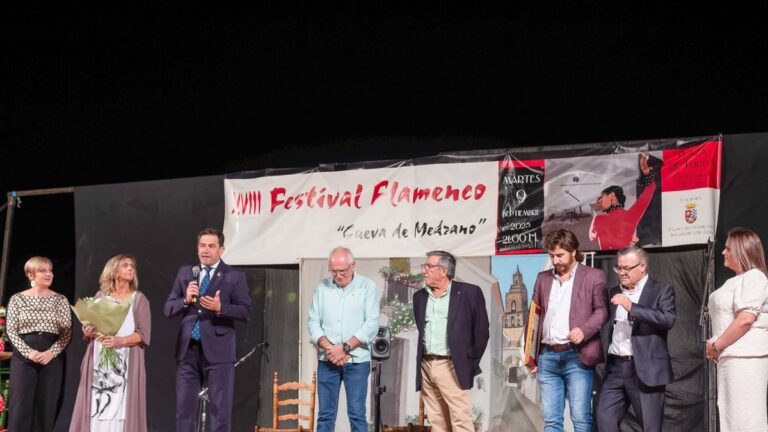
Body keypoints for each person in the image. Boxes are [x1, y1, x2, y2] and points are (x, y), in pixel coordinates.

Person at [163, 228, 252, 432]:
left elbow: (246, 311)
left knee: (220, 412)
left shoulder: (234, 276)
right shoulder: (186, 273)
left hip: (219, 350)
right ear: (197, 249)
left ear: (221, 249)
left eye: (211, 246)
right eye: (202, 245)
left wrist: (221, 308)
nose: (206, 250)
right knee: (184, 411)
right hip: (188, 350)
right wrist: (185, 300)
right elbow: (168, 308)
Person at [526, 229, 608, 432]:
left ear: (574, 251)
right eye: (552, 255)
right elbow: (534, 317)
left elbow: (602, 311)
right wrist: (530, 356)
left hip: (577, 356)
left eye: (560, 255)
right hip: (547, 357)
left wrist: (584, 330)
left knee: (580, 418)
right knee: (552, 421)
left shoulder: (594, 276)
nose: (555, 260)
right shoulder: (543, 278)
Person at [595, 245, 676, 432]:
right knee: (604, 421)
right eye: (618, 268)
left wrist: (632, 307)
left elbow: (668, 319)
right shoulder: (614, 290)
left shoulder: (661, 290)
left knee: (650, 427)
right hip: (615, 368)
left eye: (626, 268)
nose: (621, 273)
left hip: (644, 369)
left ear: (642, 266)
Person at [70, 254, 151, 432]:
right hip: (100, 358)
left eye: (132, 266)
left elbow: (143, 336)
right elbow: (92, 328)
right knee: (98, 404)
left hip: (125, 360)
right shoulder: (100, 296)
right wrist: (88, 331)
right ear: (114, 271)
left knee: (120, 406)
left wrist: (119, 340)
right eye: (125, 265)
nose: (130, 269)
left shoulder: (138, 299)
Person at [413, 250, 489, 432]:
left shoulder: (470, 293)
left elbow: (481, 333)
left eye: (429, 266)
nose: (424, 271)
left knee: (460, 421)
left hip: (451, 365)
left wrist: (467, 363)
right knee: (438, 422)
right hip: (426, 365)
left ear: (444, 271)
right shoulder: (420, 297)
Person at [307, 247, 380, 432]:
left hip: (356, 361)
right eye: (333, 271)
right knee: (325, 416)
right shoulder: (322, 287)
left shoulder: (367, 287)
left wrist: (345, 348)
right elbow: (313, 323)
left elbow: (371, 324)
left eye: (343, 271)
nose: (338, 275)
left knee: (356, 415)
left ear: (353, 265)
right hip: (327, 360)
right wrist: (331, 349)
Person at [705, 227, 768, 432]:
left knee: (746, 421)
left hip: (746, 360)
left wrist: (716, 345)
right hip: (729, 359)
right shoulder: (733, 281)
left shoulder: (755, 277)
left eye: (728, 248)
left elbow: (745, 320)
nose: (723, 252)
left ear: (742, 250)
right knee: (731, 420)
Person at [6, 256, 72, 432]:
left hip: (51, 358)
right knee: (20, 407)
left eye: (50, 270)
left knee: (46, 408)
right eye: (43, 270)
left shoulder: (60, 300)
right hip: (24, 358)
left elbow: (67, 333)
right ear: (30, 275)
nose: (49, 274)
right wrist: (28, 352)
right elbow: (11, 330)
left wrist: (51, 352)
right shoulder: (17, 299)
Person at [589, 153, 657, 250]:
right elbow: (649, 191)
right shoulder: (631, 216)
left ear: (612, 196)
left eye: (602, 196)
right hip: (624, 260)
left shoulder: (599, 220)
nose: (599, 200)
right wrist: (646, 172)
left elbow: (592, 237)